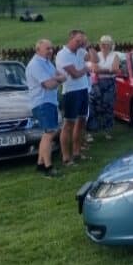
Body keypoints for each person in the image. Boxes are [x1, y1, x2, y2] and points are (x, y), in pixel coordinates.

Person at [25, 39, 66, 177]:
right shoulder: (35, 64)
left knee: (48, 133)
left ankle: (40, 164)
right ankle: (48, 167)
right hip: (42, 103)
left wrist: (57, 79)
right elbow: (49, 84)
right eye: (47, 48)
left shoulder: (47, 63)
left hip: (50, 102)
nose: (50, 51)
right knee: (49, 133)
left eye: (51, 48)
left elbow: (58, 76)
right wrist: (59, 79)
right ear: (38, 50)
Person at [55, 29, 90, 166]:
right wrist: (86, 69)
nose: (80, 43)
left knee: (81, 121)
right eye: (77, 40)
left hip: (83, 89)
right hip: (71, 91)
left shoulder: (81, 51)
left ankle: (77, 152)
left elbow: (95, 59)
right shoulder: (62, 54)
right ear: (71, 39)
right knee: (69, 124)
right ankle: (66, 157)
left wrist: (88, 46)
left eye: (82, 40)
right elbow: (74, 74)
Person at [87, 35, 120, 138]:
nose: (103, 46)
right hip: (97, 82)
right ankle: (92, 131)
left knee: (108, 106)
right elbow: (95, 69)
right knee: (93, 106)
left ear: (110, 45)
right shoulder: (97, 55)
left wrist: (103, 70)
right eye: (102, 44)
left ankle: (107, 130)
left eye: (106, 44)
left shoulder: (115, 55)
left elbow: (116, 69)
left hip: (110, 83)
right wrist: (109, 70)